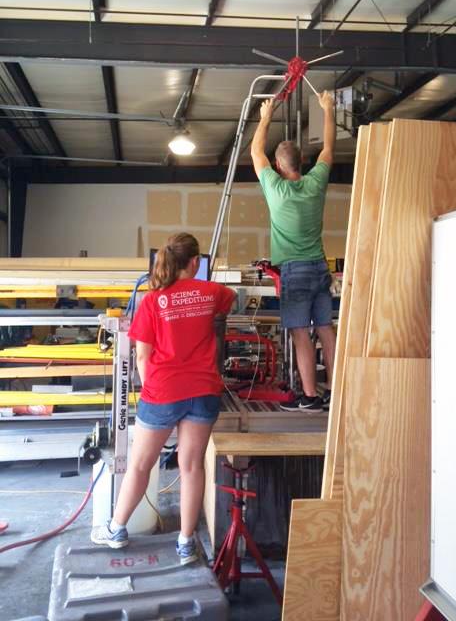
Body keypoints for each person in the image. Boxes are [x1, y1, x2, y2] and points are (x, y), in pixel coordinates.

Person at [91, 233, 236, 565]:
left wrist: (154, 391)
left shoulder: (152, 301)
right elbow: (231, 299)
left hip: (162, 392)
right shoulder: (212, 292)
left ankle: (116, 529)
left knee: (140, 465)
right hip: (203, 391)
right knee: (191, 466)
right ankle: (186, 544)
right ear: (195, 263)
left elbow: (142, 359)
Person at [250, 90, 336, 412]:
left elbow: (255, 150)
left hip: (296, 272)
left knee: (301, 333)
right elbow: (329, 147)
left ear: (277, 166)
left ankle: (311, 397)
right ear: (301, 163)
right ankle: (336, 390)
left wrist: (266, 117)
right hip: (319, 267)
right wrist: (327, 109)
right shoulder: (316, 183)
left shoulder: (276, 189)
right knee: (326, 329)